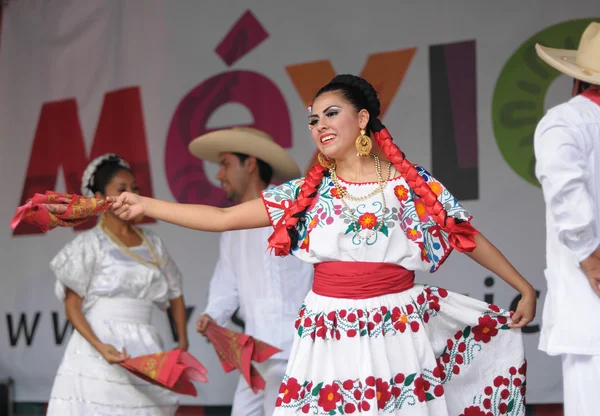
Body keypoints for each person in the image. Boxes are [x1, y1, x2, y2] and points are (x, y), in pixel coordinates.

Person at [108, 75, 536, 415]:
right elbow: (222, 219)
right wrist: (147, 204)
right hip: (328, 326)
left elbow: (465, 235)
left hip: (393, 322)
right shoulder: (310, 192)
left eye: (331, 114)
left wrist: (524, 286)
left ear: (363, 119)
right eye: (313, 119)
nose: (320, 126)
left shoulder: (408, 184)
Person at [46, 154, 188, 415]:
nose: (130, 195)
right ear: (100, 197)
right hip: (99, 346)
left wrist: (182, 344)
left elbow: (176, 294)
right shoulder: (89, 245)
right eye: (121, 189)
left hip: (146, 346)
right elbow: (72, 306)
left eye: (135, 189)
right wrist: (100, 347)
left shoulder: (152, 243)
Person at [190, 127, 313, 416]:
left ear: (251, 163)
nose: (219, 175)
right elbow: (226, 287)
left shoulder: (293, 211)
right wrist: (212, 316)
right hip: (255, 355)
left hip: (294, 350)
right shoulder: (230, 230)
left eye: (225, 164)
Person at [533, 22, 600, 416]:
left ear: (576, 79)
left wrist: (588, 255)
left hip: (590, 305)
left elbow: (564, 190)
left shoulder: (566, 121)